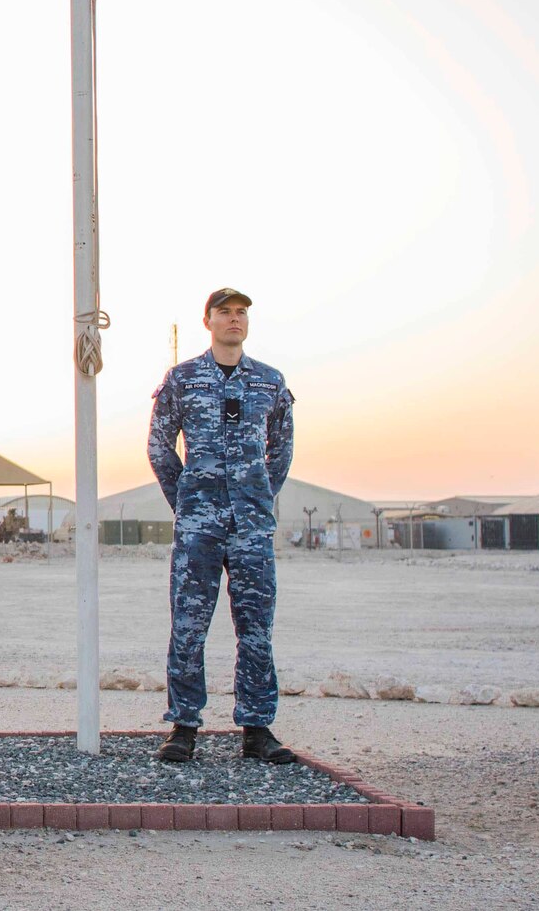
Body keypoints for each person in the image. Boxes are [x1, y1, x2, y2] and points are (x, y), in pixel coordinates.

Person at [146, 287, 297, 765]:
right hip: (199, 527)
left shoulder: (269, 382)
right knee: (189, 623)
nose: (234, 320)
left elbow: (282, 449)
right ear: (207, 321)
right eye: (225, 313)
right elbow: (158, 445)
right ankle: (184, 725)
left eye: (241, 314)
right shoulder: (183, 379)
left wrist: (258, 497)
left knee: (256, 626)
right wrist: (187, 499)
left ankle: (257, 728)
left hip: (252, 527)